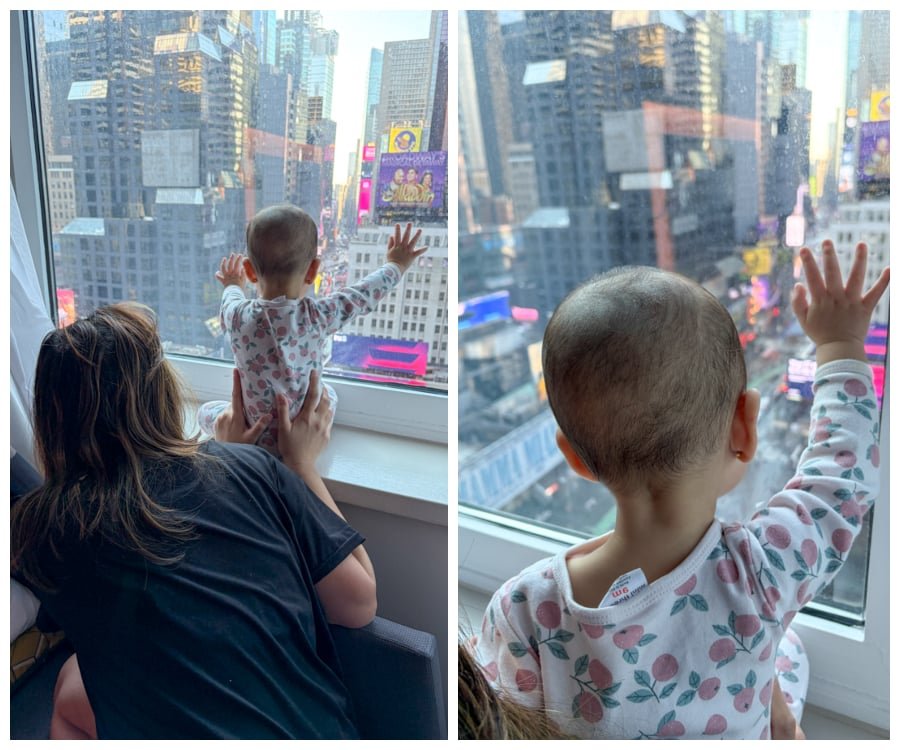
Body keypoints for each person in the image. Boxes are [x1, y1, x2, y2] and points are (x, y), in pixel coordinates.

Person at [471, 241, 888, 739]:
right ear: (744, 429)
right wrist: (839, 346)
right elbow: (840, 478)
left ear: (575, 456)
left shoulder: (523, 609)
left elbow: (508, 729)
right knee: (789, 646)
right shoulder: (765, 571)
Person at [11, 303, 377, 739]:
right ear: (162, 391)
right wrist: (300, 464)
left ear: (52, 422)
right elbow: (358, 604)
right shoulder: (250, 468)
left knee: (73, 681)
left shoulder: (45, 532)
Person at [197, 209, 427, 456]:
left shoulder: (237, 315)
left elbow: (230, 297)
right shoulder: (318, 316)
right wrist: (396, 264)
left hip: (252, 437)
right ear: (313, 270)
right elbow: (362, 295)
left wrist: (233, 283)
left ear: (250, 271)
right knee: (330, 395)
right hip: (297, 438)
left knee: (204, 412)